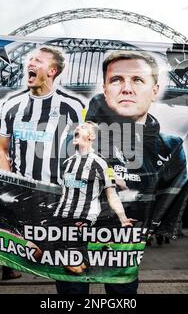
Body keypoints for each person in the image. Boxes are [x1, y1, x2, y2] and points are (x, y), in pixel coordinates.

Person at [0, 46, 86, 279]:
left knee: (72, 271)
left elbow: (85, 152)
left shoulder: (73, 106)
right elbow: (1, 149)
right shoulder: (11, 106)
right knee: (33, 256)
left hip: (62, 198)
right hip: (26, 199)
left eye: (38, 60)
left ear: (53, 70)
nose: (30, 63)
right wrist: (10, 187)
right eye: (30, 59)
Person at [86, 50, 187, 234]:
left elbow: (172, 201)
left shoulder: (172, 146)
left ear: (154, 91)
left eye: (138, 80)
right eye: (116, 79)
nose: (126, 88)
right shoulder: (81, 140)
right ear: (105, 90)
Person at [52, 121, 136, 293]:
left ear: (91, 137)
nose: (77, 129)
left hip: (87, 224)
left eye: (82, 128)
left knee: (81, 275)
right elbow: (62, 194)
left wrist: (123, 218)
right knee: (68, 278)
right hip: (63, 225)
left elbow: (112, 194)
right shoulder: (66, 163)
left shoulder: (101, 163)